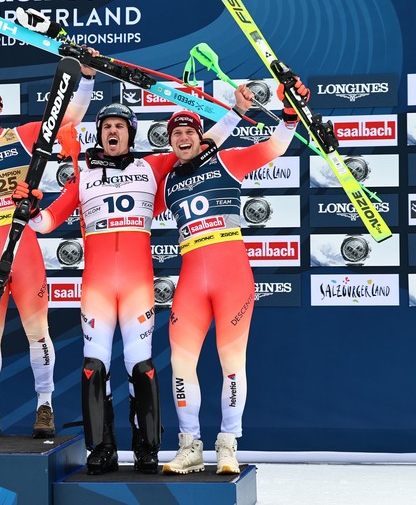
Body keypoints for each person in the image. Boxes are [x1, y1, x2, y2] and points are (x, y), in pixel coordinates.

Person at [21, 87, 248, 474]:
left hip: (138, 288)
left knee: (140, 366)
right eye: (106, 126)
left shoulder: (153, 167)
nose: (113, 132)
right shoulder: (84, 175)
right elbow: (46, 222)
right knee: (94, 366)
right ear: (99, 134)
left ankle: (147, 447)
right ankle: (102, 447)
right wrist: (27, 207)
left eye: (120, 126)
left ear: (130, 133)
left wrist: (236, 115)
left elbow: (199, 144)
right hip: (97, 290)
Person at [159, 79, 305, 475]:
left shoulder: (227, 160)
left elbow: (274, 146)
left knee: (232, 363)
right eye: (177, 134)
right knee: (180, 363)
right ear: (170, 141)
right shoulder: (168, 179)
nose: (184, 138)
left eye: (190, 132)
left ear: (201, 138)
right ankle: (189, 445)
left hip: (232, 277)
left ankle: (228, 444)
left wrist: (289, 112)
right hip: (190, 280)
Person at [0, 64, 96, 439]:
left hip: (23, 249)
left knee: (37, 333)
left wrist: (88, 79)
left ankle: (45, 406)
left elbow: (69, 118)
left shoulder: (21, 135)